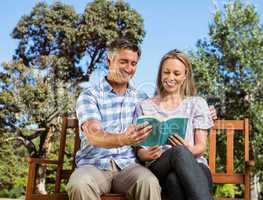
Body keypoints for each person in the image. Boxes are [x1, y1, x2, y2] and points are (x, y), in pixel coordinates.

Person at [66, 38, 161, 200]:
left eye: (133, 63)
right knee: (79, 184)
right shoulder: (90, 96)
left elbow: (167, 110)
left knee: (149, 182)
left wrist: (207, 111)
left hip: (129, 167)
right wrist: (123, 138)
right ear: (109, 60)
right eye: (124, 62)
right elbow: (93, 134)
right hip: (94, 165)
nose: (129, 68)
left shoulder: (142, 98)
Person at [133, 49, 214, 200]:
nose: (170, 77)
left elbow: (201, 147)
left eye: (176, 73)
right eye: (166, 72)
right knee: (179, 152)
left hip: (196, 166)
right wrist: (146, 154)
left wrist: (189, 149)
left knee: (174, 180)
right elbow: (139, 150)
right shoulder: (144, 106)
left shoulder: (197, 103)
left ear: (185, 76)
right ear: (160, 74)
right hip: (159, 166)